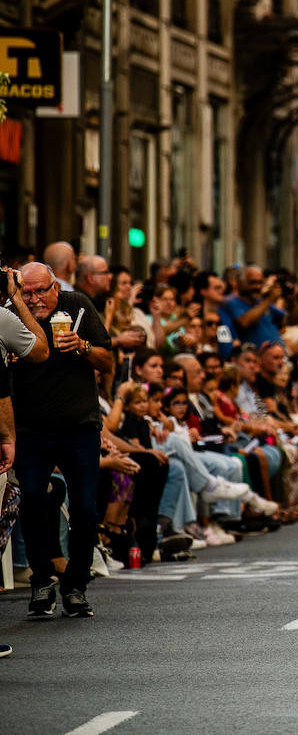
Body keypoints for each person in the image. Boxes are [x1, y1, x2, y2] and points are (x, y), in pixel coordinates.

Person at [13, 262, 113, 618]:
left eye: (42, 290)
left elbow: (107, 359)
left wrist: (82, 346)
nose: (36, 298)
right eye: (28, 291)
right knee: (34, 499)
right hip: (30, 428)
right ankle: (42, 580)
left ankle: (75, 584)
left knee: (86, 507)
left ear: (56, 286)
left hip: (79, 425)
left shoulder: (78, 306)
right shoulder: (11, 312)